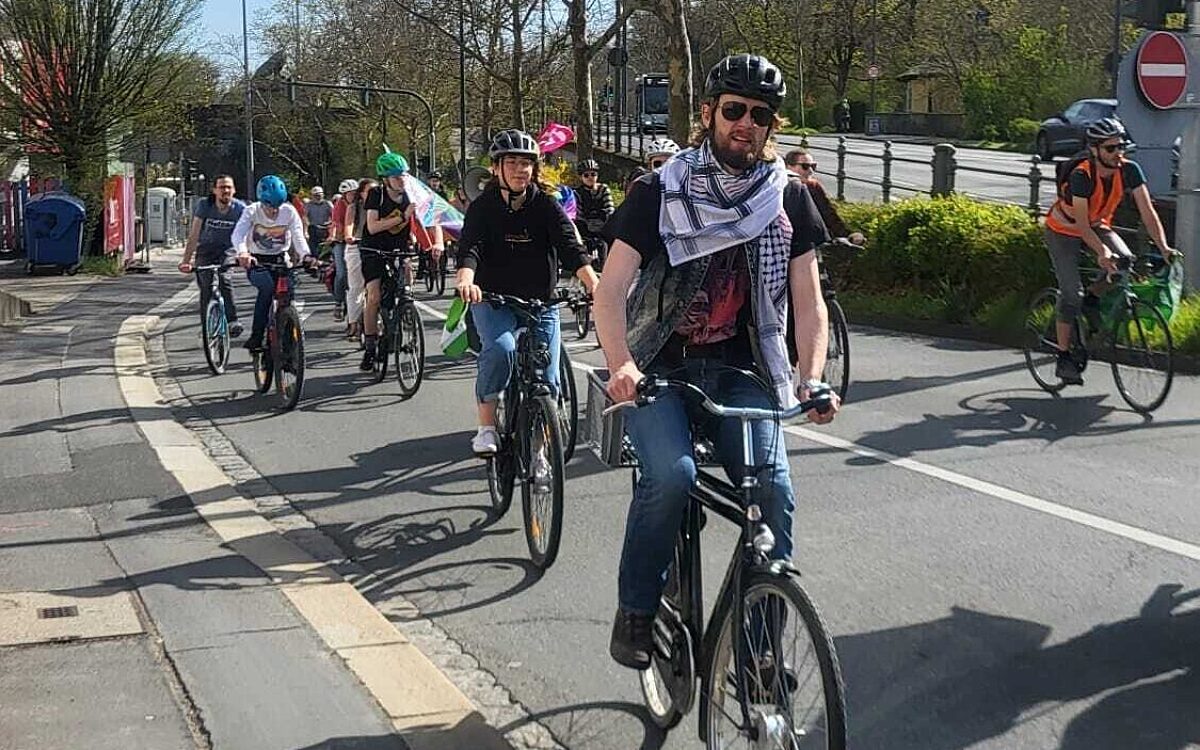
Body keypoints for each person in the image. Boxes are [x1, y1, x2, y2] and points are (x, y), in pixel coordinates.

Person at [593, 53, 839, 669]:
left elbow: (809, 305)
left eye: (760, 115)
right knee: (670, 477)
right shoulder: (659, 191)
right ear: (708, 114)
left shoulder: (788, 200)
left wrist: (811, 377)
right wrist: (621, 363)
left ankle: (756, 657)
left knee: (774, 492)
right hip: (662, 370)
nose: (745, 124)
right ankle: (637, 611)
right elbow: (611, 288)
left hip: (740, 371)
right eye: (734, 110)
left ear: (770, 127)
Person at [455, 129, 600, 455]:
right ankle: (487, 427)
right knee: (501, 349)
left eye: (527, 163)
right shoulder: (483, 207)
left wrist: (593, 282)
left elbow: (569, 245)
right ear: (496, 168)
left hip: (540, 301)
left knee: (549, 379)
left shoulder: (545, 205)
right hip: (493, 299)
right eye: (513, 162)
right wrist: (466, 280)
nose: (521, 170)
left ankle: (539, 450)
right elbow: (470, 248)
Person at [1043, 117, 1178, 385]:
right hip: (1063, 230)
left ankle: (1093, 298)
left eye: (1121, 147)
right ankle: (1063, 355)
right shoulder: (1081, 175)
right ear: (1094, 150)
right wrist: (1102, 252)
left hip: (1097, 224)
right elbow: (1081, 225)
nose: (1118, 153)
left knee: (1125, 261)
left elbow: (1148, 214)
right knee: (1071, 294)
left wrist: (1163, 247)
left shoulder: (1129, 170)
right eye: (1111, 148)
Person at [360, 151, 443, 371]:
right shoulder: (376, 195)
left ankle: (405, 312)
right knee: (374, 296)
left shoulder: (411, 194)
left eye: (404, 175)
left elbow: (433, 218)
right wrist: (403, 216)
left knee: (406, 281)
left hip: (400, 247)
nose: (402, 180)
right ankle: (369, 346)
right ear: (385, 179)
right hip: (374, 248)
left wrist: (438, 243)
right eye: (396, 177)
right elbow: (372, 227)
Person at [229, 175, 317, 352]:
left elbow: (298, 236)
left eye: (277, 206)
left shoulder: (289, 211)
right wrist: (243, 253)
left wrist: (306, 255)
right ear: (262, 201)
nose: (274, 211)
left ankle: (289, 345)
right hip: (257, 260)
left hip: (280, 259)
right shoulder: (252, 211)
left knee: (288, 295)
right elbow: (237, 234)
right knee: (267, 289)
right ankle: (257, 335)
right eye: (270, 207)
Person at [178, 175, 246, 337]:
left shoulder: (240, 209)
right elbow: (194, 235)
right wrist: (186, 261)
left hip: (227, 250)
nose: (226, 191)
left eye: (229, 187)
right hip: (206, 250)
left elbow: (247, 234)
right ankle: (206, 328)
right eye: (222, 187)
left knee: (224, 279)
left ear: (234, 190)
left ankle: (232, 320)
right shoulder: (205, 205)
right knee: (206, 286)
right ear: (215, 190)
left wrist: (244, 254)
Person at [784, 149, 865, 245]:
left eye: (813, 166)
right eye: (805, 166)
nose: (810, 171)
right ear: (788, 167)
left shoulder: (813, 186)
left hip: (811, 242)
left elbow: (828, 213)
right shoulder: (780, 188)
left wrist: (848, 235)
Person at [344, 178, 376, 340]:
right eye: (369, 191)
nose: (372, 194)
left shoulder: (381, 206)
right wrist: (349, 236)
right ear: (361, 194)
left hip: (376, 248)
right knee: (356, 287)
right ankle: (354, 323)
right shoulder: (354, 207)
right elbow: (348, 225)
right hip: (357, 246)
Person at [574, 158, 614, 269]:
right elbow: (578, 213)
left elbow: (610, 208)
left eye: (593, 174)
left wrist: (603, 219)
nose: (590, 177)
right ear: (581, 177)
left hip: (602, 229)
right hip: (585, 231)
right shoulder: (577, 193)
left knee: (605, 258)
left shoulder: (603, 189)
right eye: (586, 175)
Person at [329, 179, 359, 322]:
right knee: (341, 273)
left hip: (357, 242)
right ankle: (338, 303)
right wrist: (333, 236)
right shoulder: (339, 205)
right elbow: (335, 223)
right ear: (344, 195)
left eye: (355, 193)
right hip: (341, 241)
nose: (353, 196)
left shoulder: (360, 205)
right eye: (350, 194)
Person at [306, 186, 334, 253]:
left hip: (325, 230)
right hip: (313, 230)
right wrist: (305, 231)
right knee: (313, 250)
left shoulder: (328, 204)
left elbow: (334, 216)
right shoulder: (308, 205)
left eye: (319, 195)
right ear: (312, 196)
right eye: (315, 195)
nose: (317, 197)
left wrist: (330, 225)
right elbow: (304, 217)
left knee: (325, 251)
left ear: (323, 195)